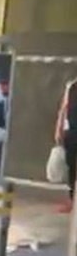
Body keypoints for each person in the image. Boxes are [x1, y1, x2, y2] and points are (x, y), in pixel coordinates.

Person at [54, 78, 77, 213]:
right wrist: (59, 129)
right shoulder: (72, 86)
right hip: (72, 132)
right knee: (71, 166)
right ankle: (72, 200)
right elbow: (64, 108)